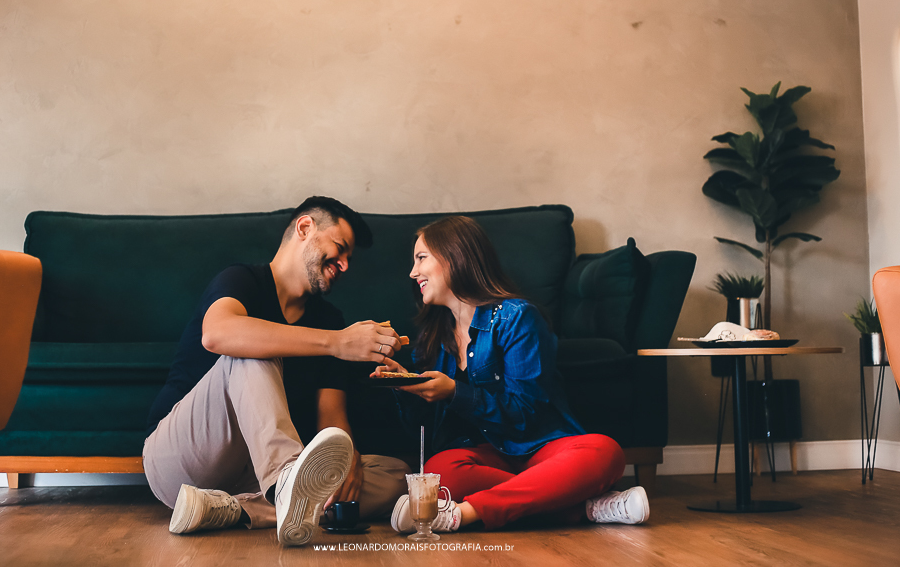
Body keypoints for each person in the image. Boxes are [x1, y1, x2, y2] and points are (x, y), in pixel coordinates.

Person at [143, 196, 410, 547]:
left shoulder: (329, 320)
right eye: (340, 249)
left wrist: (346, 460)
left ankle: (236, 509)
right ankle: (287, 481)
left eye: (349, 259)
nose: (344, 265)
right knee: (253, 344)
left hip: (253, 477)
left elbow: (330, 415)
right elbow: (217, 332)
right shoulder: (243, 280)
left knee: (397, 477)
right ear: (305, 228)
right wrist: (337, 343)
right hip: (183, 459)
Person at [374, 215, 649, 533]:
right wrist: (404, 387)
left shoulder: (517, 317)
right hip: (483, 455)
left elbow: (526, 414)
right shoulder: (432, 337)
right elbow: (426, 433)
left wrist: (455, 392)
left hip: (540, 447)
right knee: (440, 470)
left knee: (606, 452)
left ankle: (463, 514)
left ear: (454, 256)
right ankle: (581, 507)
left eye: (421, 258)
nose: (413, 272)